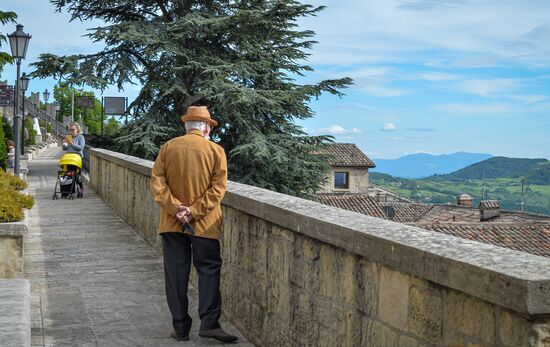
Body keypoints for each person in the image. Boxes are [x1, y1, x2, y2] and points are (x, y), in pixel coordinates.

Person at [151, 106, 237, 343]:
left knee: (176, 275)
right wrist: (194, 211)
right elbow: (218, 189)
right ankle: (209, 324)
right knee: (208, 270)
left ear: (187, 126)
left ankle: (180, 328)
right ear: (207, 127)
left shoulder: (168, 147)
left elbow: (157, 183)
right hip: (205, 224)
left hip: (172, 222)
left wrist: (176, 208)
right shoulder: (216, 150)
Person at [62, 122, 85, 191]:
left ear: (77, 129)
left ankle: (81, 189)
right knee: (69, 173)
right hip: (69, 158)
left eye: (73, 129)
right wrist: (64, 144)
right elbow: (64, 149)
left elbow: (81, 148)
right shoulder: (69, 137)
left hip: (77, 157)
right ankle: (70, 189)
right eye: (70, 129)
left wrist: (71, 143)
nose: (71, 131)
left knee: (77, 174)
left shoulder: (81, 137)